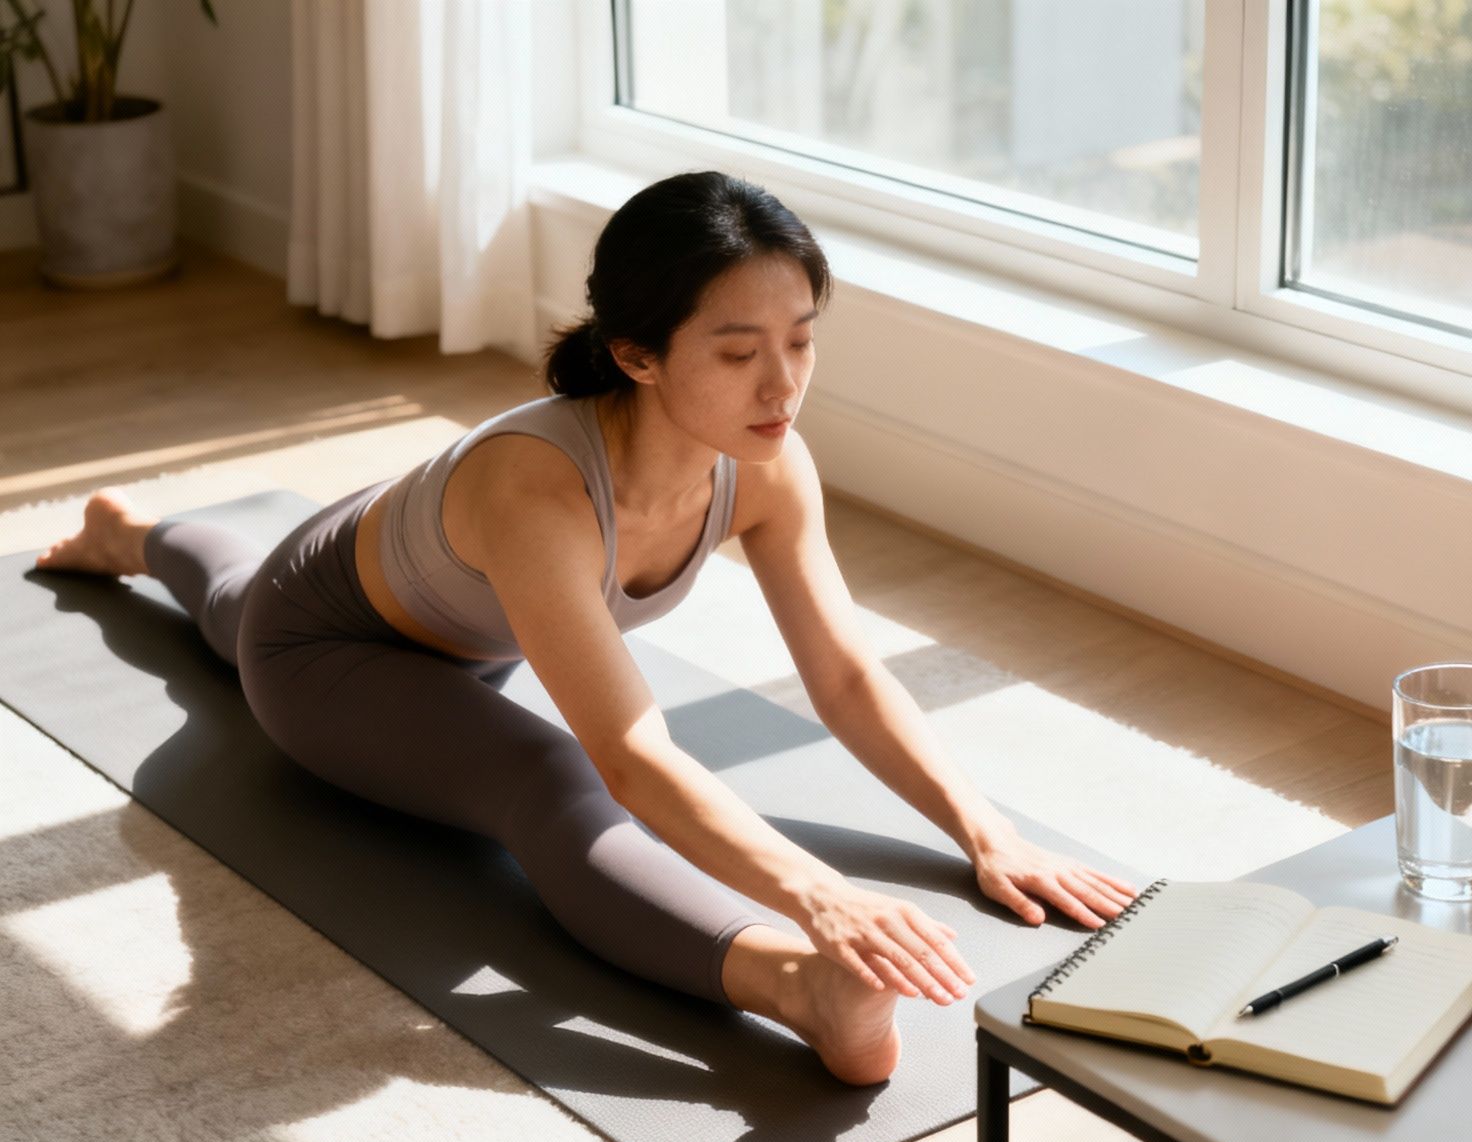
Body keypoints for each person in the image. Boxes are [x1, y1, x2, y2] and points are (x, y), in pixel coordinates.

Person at [35, 170, 1136, 1086]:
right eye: (738, 350)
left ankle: (130, 531)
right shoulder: (537, 489)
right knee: (537, 774)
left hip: (417, 584)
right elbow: (630, 754)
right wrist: (818, 900)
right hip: (329, 648)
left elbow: (843, 670)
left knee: (230, 604)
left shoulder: (763, 462)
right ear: (637, 355)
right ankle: (797, 990)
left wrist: (982, 830)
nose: (782, 383)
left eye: (801, 340)